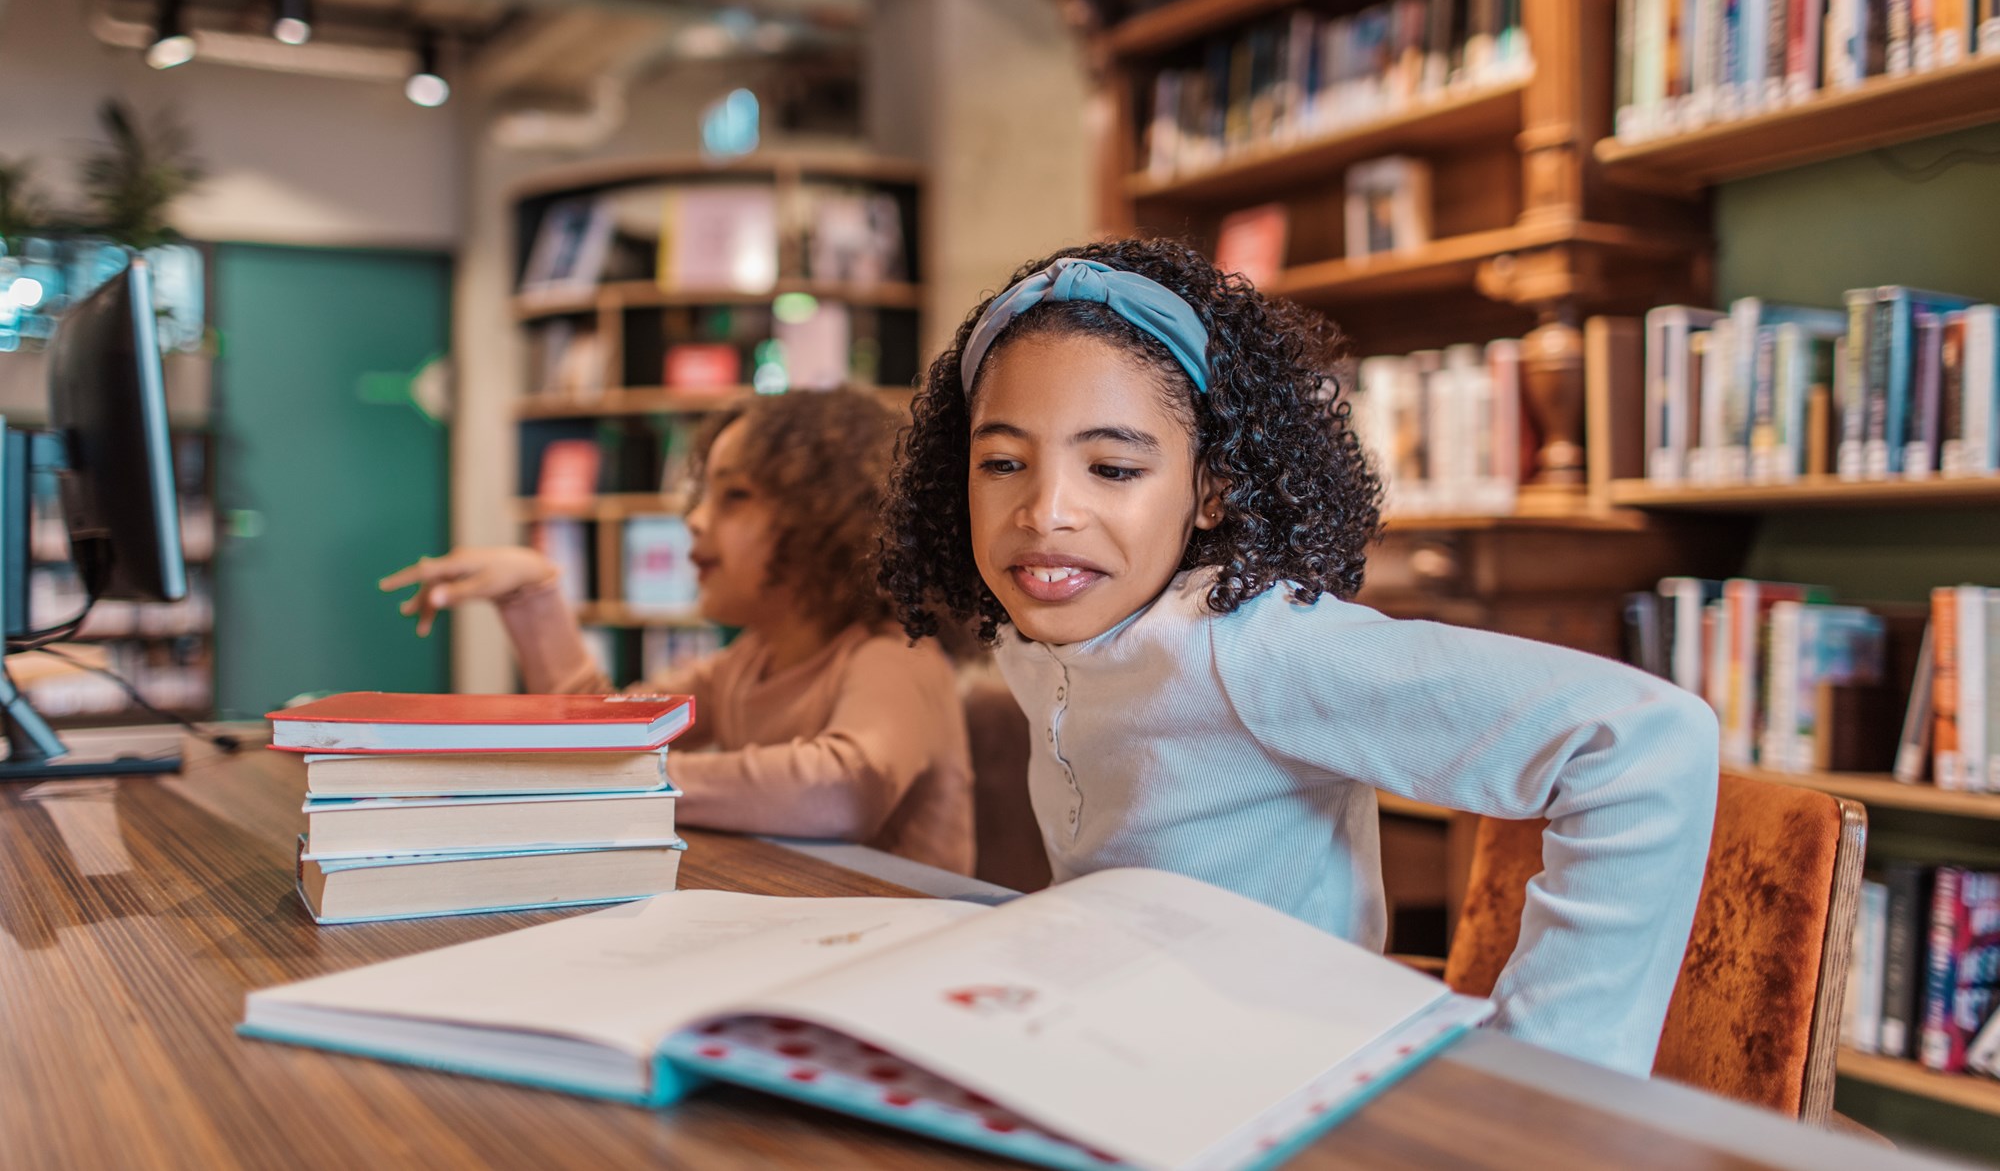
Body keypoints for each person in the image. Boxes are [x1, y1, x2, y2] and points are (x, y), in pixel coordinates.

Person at [878, 238, 1718, 1074]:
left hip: (1294, 1092)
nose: (1045, 510)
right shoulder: (1039, 635)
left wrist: (1548, 1074)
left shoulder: (1255, 647)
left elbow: (1644, 740)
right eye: (1002, 462)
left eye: (1112, 466)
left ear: (1213, 489)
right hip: (1131, 1057)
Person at [381, 388, 974, 875]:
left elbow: (841, 790)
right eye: (704, 494)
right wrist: (532, 595)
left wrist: (633, 779)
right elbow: (611, 733)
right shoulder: (744, 663)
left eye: (734, 496)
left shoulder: (898, 654)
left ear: (830, 516)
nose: (693, 519)